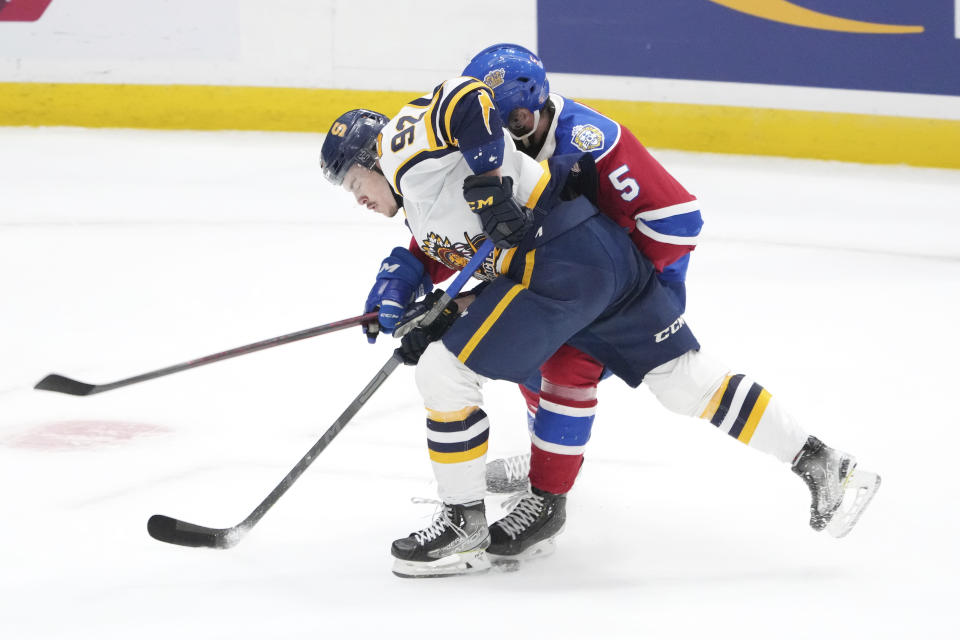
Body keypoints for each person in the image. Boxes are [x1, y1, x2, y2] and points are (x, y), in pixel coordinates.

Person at [319, 75, 880, 578]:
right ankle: (826, 463)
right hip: (601, 259)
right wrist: (406, 282)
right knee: (685, 381)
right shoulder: (423, 192)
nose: (359, 200)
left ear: (372, 155)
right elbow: (453, 243)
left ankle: (464, 523)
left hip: (555, 267)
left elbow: (469, 97)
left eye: (352, 185)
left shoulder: (402, 149)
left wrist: (486, 190)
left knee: (445, 372)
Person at [463, 44, 705, 522]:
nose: (508, 136)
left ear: (539, 100)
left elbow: (679, 220)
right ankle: (543, 463)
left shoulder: (592, 140)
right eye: (498, 124)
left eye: (517, 120)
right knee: (528, 356)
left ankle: (547, 499)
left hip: (630, 287)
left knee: (570, 370)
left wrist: (622, 288)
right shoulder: (498, 150)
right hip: (575, 279)